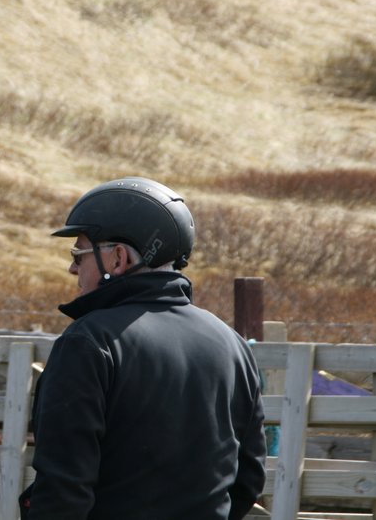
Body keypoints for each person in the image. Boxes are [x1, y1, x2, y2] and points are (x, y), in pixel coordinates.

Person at [20, 177, 266, 520]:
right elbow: (248, 480)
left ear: (118, 258)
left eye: (79, 254)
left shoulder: (88, 343)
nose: (72, 267)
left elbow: (62, 490)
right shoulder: (232, 344)